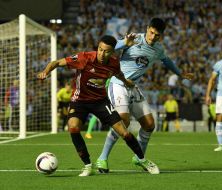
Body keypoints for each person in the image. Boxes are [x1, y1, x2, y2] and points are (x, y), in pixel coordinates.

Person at [37, 35, 159, 176]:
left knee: (124, 131)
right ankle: (88, 165)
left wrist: (126, 82)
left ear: (112, 51)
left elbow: (118, 74)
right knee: (73, 127)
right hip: (80, 101)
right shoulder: (85, 58)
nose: (102, 53)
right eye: (100, 49)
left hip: (100, 101)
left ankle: (143, 160)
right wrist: (45, 72)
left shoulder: (113, 63)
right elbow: (56, 63)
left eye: (106, 51)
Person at [96, 18, 194, 172]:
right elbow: (111, 47)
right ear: (147, 28)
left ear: (161, 36)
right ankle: (102, 158)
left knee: (149, 124)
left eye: (157, 35)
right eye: (151, 32)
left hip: (133, 86)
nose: (153, 36)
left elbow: (166, 61)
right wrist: (125, 43)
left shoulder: (158, 49)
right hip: (118, 83)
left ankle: (138, 157)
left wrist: (180, 73)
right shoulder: (135, 39)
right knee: (123, 121)